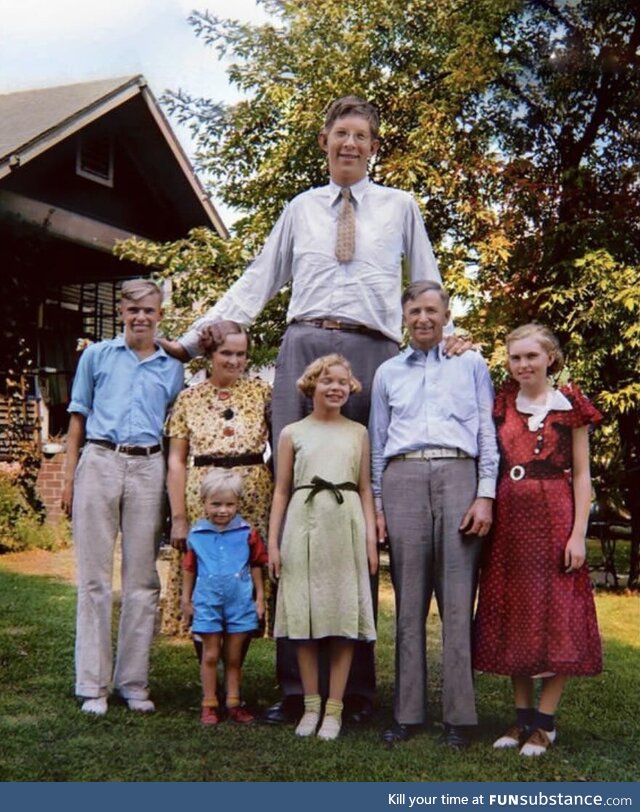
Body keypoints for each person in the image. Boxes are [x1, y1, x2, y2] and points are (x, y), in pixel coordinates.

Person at [161, 95, 451, 724]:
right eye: (340, 133)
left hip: (374, 349)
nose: (350, 144)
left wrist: (450, 338)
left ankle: (359, 691)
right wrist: (190, 339)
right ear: (324, 141)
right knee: (298, 510)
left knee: (356, 508)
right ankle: (296, 690)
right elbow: (257, 281)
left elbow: (425, 285)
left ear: (375, 147)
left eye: (362, 136)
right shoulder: (299, 209)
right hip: (304, 343)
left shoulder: (400, 207)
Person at [369, 280, 499, 748]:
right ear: (404, 318)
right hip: (404, 478)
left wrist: (485, 494)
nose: (423, 319)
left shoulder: (470, 363)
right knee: (408, 603)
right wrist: (379, 506)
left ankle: (460, 718)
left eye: (431, 311)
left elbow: (487, 432)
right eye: (414, 312)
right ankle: (407, 713)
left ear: (446, 315)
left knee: (458, 600)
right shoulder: (388, 372)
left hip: (459, 476)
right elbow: (379, 442)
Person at [473, 324, 602, 756]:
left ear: (551, 357)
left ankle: (546, 723)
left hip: (556, 517)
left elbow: (582, 474)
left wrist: (578, 534)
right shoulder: (502, 403)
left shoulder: (570, 406)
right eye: (515, 357)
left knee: (556, 614)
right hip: (510, 519)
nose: (523, 364)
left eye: (531, 356)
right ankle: (522, 717)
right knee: (516, 613)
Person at [61, 279, 184, 715]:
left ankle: (133, 682)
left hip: (148, 466)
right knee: (93, 578)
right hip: (100, 459)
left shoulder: (172, 368)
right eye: (133, 310)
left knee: (142, 580)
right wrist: (70, 476)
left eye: (149, 310)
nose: (140, 317)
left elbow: (175, 433)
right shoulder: (96, 356)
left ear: (159, 315)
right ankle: (93, 685)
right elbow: (78, 416)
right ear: (122, 313)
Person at [268, 354, 378, 740]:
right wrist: (274, 543)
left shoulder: (358, 433)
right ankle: (310, 705)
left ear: (351, 389)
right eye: (327, 380)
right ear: (311, 385)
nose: (335, 387)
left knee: (342, 620)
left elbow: (364, 488)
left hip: (345, 526)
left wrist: (369, 539)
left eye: (342, 382)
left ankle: (335, 709)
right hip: (303, 525)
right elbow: (281, 491)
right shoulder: (292, 433)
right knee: (305, 619)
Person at [162, 321, 272, 642]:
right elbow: (176, 460)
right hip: (204, 493)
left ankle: (236, 676)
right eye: (226, 353)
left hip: (253, 494)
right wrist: (179, 517)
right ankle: (209, 674)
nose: (234, 361)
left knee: (246, 573)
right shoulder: (189, 398)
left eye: (241, 354)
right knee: (208, 574)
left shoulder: (262, 392)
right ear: (210, 353)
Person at [182, 469, 267, 726]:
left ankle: (234, 703)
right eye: (216, 504)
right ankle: (209, 704)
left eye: (230, 504)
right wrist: (186, 601)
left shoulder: (246, 534)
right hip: (207, 603)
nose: (223, 510)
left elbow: (256, 565)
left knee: (233, 657)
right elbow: (189, 569)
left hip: (239, 603)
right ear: (204, 503)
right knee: (210, 654)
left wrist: (259, 598)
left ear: (239, 503)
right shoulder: (197, 535)